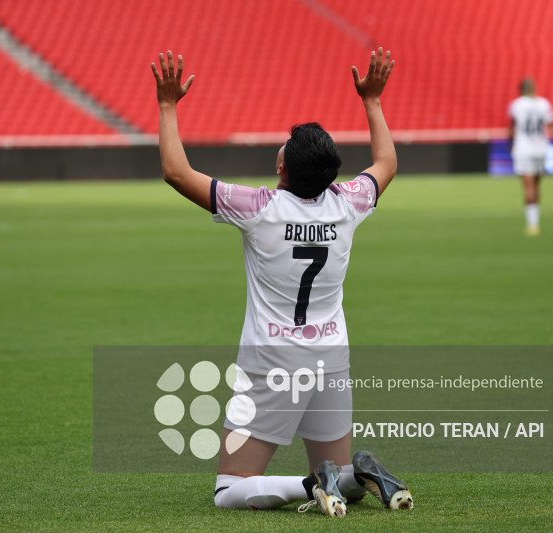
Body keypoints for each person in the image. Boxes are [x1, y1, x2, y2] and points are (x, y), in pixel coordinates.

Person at [151, 48, 412, 517]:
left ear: (282, 168)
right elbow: (386, 163)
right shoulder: (348, 203)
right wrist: (372, 101)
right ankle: (355, 475)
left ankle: (314, 481)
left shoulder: (259, 209)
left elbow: (175, 172)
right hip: (331, 356)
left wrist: (168, 106)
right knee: (339, 482)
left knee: (229, 489)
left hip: (272, 362)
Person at [507, 78, 553, 236]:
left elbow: (511, 128)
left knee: (528, 186)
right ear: (534, 89)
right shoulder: (544, 104)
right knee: (537, 185)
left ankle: (532, 224)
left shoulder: (517, 104)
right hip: (541, 148)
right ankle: (536, 219)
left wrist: (510, 146)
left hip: (524, 149)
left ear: (521, 90)